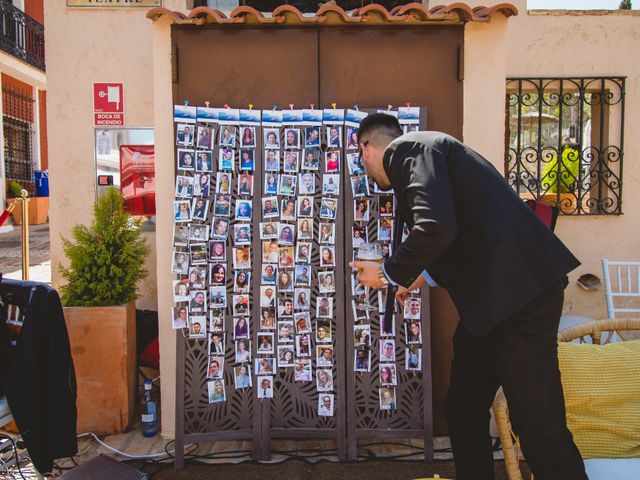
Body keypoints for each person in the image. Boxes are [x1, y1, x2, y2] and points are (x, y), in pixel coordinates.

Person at [350, 113, 586, 480]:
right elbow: (457, 230)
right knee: (462, 409)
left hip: (520, 300)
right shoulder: (432, 153)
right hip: (487, 309)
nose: (365, 170)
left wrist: (388, 273)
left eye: (360, 158)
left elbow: (436, 227)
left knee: (539, 425)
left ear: (365, 147)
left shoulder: (408, 149)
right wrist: (419, 278)